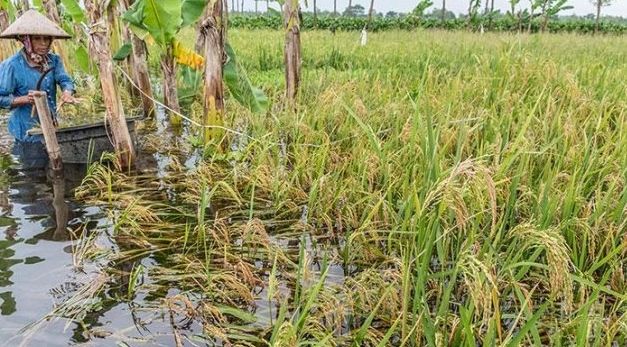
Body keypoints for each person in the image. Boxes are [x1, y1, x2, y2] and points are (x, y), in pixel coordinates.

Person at [0, 9, 77, 143]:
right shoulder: (12, 65)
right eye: (37, 38)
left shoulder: (54, 60)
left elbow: (65, 80)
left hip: (50, 125)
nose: (43, 43)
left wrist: (67, 92)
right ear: (26, 41)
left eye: (46, 38)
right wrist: (25, 99)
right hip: (25, 131)